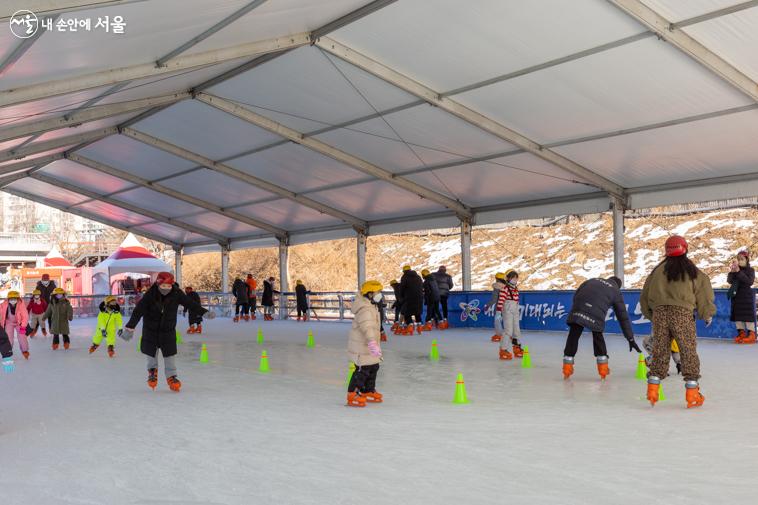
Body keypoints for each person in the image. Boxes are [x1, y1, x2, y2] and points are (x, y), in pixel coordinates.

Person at [640, 235, 715, 408]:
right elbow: (703, 293)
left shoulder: (656, 271)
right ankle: (692, 393)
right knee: (687, 350)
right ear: (685, 248)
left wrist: (653, 316)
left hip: (660, 314)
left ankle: (652, 390)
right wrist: (706, 314)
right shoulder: (693, 271)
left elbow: (644, 298)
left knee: (660, 350)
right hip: (682, 314)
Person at [120, 272, 215, 392]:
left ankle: (172, 376)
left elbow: (190, 304)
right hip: (151, 330)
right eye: (163, 286)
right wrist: (130, 328)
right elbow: (138, 311)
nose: (166, 289)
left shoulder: (176, 293)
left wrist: (203, 312)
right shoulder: (150, 294)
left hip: (168, 330)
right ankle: (152, 372)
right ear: (158, 284)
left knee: (169, 355)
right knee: (151, 354)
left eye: (168, 286)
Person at [562, 276, 641, 379]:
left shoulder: (593, 279)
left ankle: (567, 369)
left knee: (573, 335)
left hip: (579, 307)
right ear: (618, 286)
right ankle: (603, 370)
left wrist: (580, 307)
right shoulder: (615, 291)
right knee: (598, 336)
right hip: (596, 313)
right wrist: (630, 338)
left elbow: (577, 293)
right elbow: (623, 317)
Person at [346, 280, 385, 407]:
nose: (380, 295)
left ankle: (367, 390)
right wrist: (372, 342)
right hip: (363, 344)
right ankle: (352, 393)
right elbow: (367, 327)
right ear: (369, 294)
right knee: (363, 369)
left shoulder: (371, 305)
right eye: (377, 292)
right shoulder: (365, 309)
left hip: (369, 344)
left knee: (374, 366)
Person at [491, 270, 524, 360]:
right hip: (508, 309)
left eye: (516, 278)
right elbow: (501, 300)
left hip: (515, 309)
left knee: (516, 329)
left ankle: (516, 346)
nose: (515, 280)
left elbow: (516, 300)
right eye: (513, 278)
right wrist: (498, 312)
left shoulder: (515, 288)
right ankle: (503, 349)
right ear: (508, 278)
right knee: (508, 330)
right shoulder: (505, 288)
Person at [727, 251, 756, 344]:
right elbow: (730, 281)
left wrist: (739, 272)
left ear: (747, 260)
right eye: (738, 259)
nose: (740, 261)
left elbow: (749, 281)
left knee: (748, 315)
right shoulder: (735, 269)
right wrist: (732, 271)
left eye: (742, 259)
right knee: (738, 315)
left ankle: (751, 335)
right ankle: (741, 333)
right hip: (737, 296)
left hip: (746, 296)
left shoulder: (750, 270)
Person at [0, 291, 29, 359]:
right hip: (9, 322)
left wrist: (23, 326)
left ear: (18, 299)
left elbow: (25, 316)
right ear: (8, 299)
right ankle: (8, 351)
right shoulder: (3, 305)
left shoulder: (21, 305)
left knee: (22, 337)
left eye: (14, 298)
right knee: (8, 337)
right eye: (11, 299)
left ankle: (25, 351)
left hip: (19, 324)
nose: (13, 300)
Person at [398, 265, 424, 335]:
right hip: (419, 297)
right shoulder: (418, 277)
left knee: (407, 313)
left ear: (404, 271)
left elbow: (402, 288)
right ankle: (419, 328)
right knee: (417, 312)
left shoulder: (405, 277)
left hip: (409, 297)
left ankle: (410, 327)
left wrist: (400, 297)